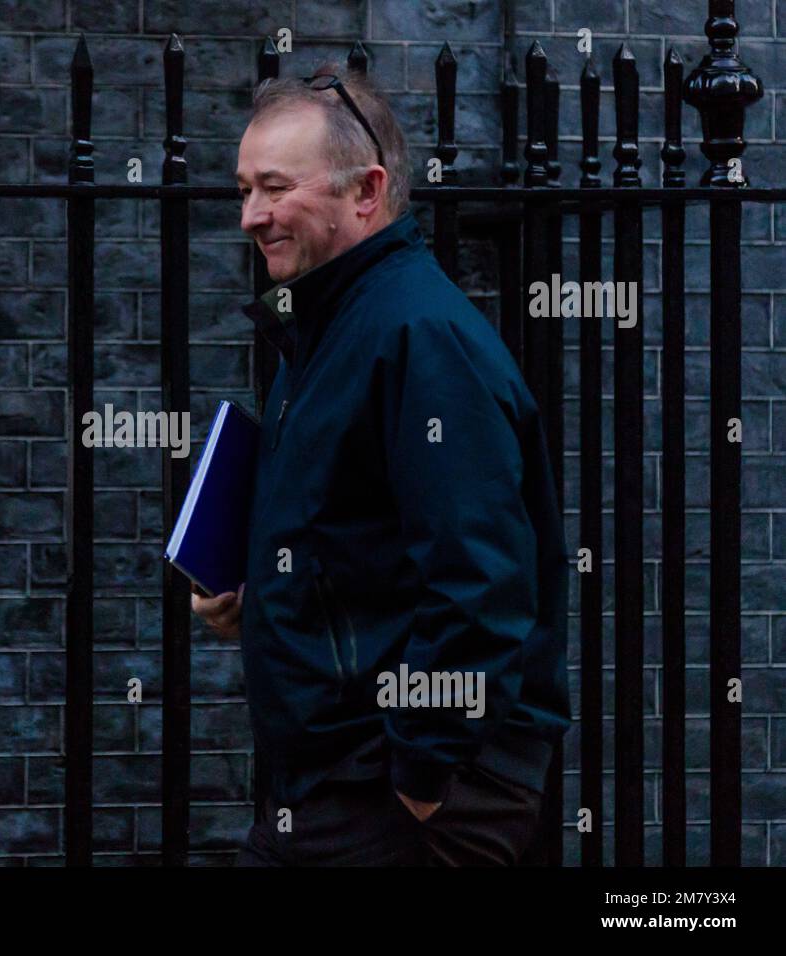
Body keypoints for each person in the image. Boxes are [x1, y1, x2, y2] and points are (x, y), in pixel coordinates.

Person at [191, 63, 571, 866]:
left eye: (274, 187)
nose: (251, 216)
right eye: (244, 189)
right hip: (346, 782)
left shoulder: (417, 338)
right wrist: (259, 597)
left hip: (403, 795)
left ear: (365, 192)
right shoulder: (334, 327)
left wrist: (424, 774)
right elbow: (363, 546)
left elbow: (482, 579)